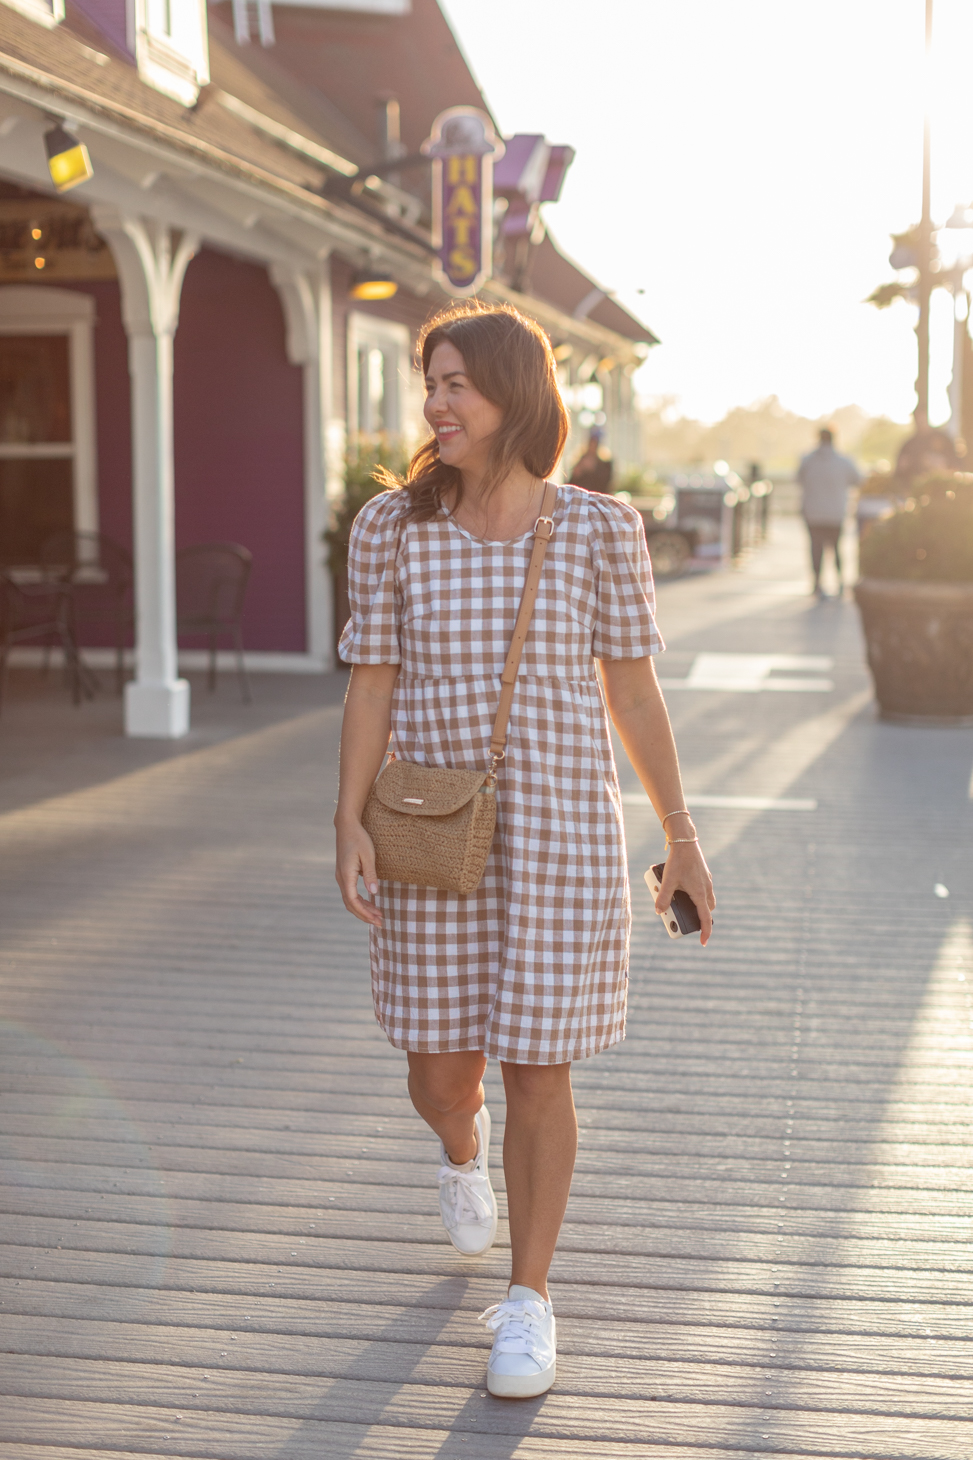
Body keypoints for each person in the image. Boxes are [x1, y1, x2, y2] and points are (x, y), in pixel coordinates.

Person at [334, 302, 715, 1400]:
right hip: (431, 831)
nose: (435, 402)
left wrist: (680, 835)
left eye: (457, 382)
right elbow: (373, 682)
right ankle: (461, 1150)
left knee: (540, 1065)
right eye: (430, 381)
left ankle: (530, 1298)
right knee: (439, 1070)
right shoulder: (389, 528)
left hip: (559, 832)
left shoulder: (599, 529)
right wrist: (346, 817)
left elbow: (632, 690)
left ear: (515, 393)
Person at [796, 427, 861, 597]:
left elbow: (798, 479)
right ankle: (840, 582)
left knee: (815, 548)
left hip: (813, 512)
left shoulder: (808, 460)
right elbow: (858, 480)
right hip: (836, 512)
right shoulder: (844, 461)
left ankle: (817, 583)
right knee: (837, 548)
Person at [570, 429, 613, 493]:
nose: (592, 447)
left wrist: (593, 469)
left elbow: (606, 484)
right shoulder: (581, 460)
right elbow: (571, 484)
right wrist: (577, 472)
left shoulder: (605, 464)